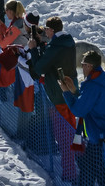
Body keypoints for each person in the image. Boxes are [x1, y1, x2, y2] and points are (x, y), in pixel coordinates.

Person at [27, 16, 79, 180]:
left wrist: (33, 49)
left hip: (58, 95)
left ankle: (69, 174)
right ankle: (83, 167)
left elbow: (39, 68)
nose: (45, 32)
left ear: (51, 30)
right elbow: (52, 59)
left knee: (64, 137)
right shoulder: (67, 41)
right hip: (70, 91)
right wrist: (43, 46)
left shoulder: (55, 46)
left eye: (47, 30)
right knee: (73, 132)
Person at [59, 50, 105, 186]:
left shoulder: (93, 85)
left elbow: (79, 110)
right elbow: (89, 102)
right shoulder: (102, 79)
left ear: (90, 66)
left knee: (101, 173)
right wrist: (74, 90)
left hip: (97, 136)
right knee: (95, 170)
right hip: (102, 132)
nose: (82, 67)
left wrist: (66, 92)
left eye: (83, 64)